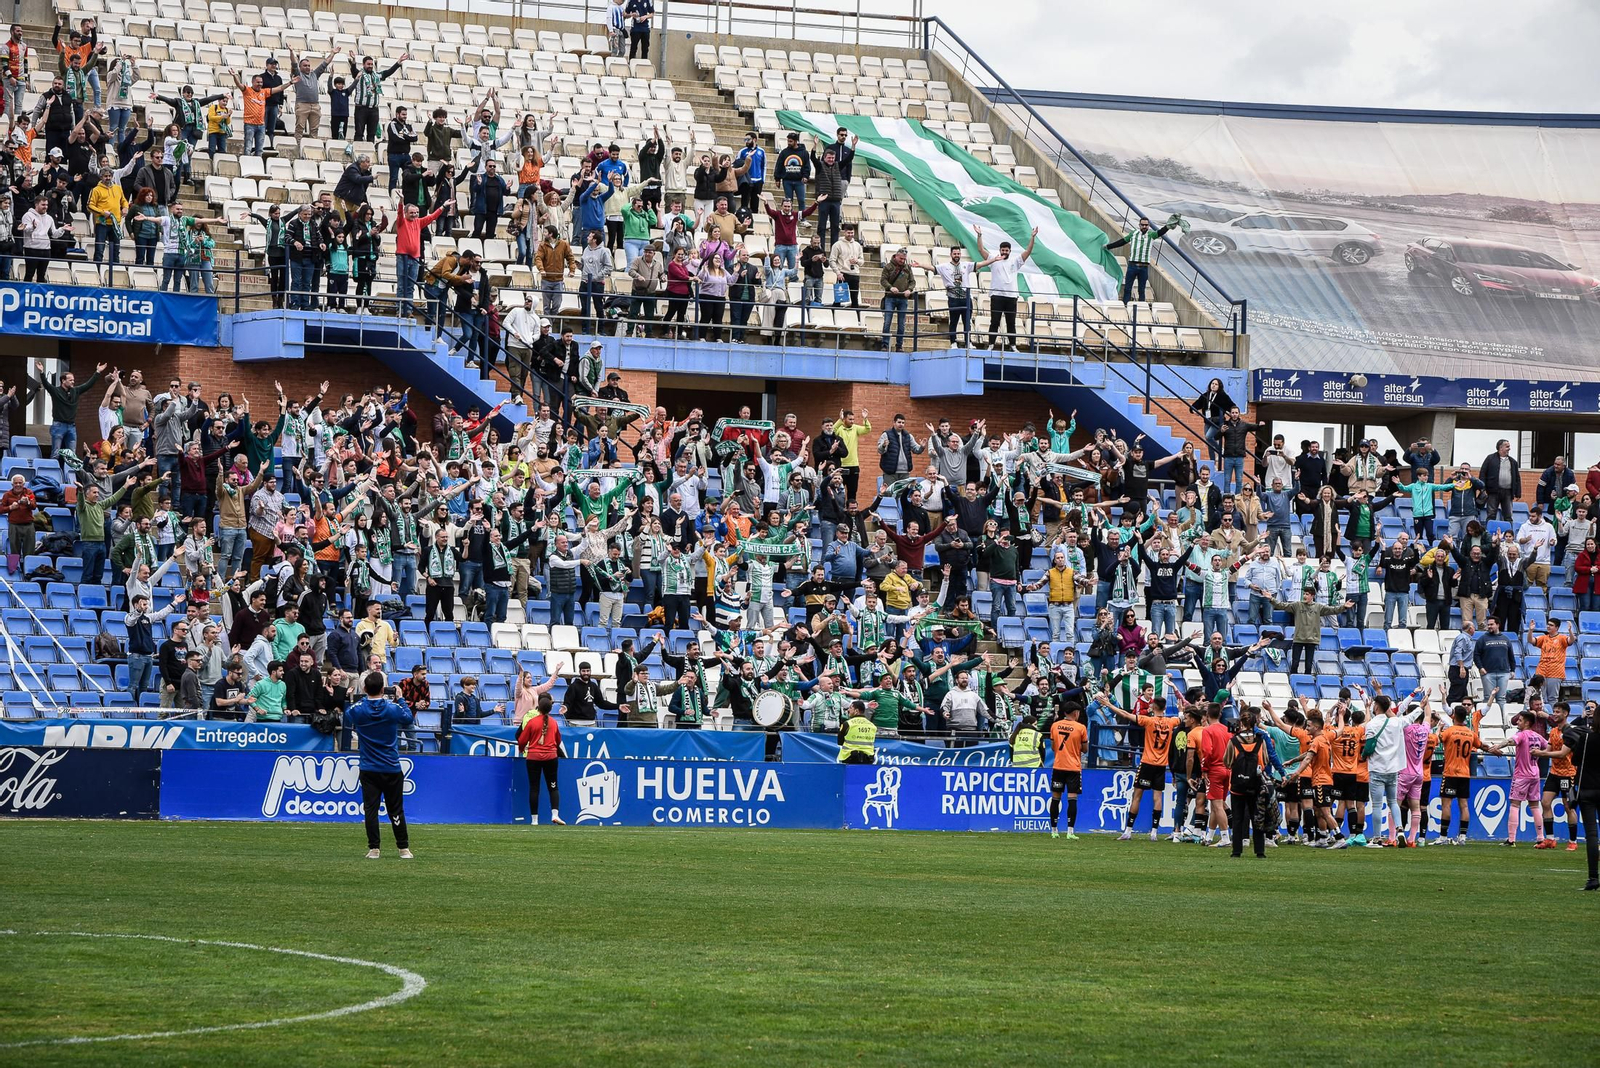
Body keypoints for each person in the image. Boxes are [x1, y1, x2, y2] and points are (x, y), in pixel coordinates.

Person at [344, 670, 415, 859]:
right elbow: (408, 718)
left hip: (369, 768)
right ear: (383, 689)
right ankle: (403, 848)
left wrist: (358, 697)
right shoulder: (392, 708)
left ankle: (374, 848)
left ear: (365, 688)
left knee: (371, 809)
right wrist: (400, 699)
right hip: (391, 766)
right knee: (396, 809)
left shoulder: (358, 710)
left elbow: (348, 714)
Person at [974, 226, 1037, 350]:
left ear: (1009, 251)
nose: (1004, 252)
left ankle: (1012, 345)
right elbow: (981, 250)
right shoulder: (994, 259)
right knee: (994, 322)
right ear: (1000, 250)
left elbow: (1028, 251)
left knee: (1011, 323)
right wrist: (979, 235)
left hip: (1011, 297)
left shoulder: (1015, 261)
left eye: (1006, 250)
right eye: (1003, 250)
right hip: (996, 296)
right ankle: (991, 344)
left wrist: (1033, 237)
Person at [1224, 708, 1270, 858]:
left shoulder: (1234, 741)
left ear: (1241, 723)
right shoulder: (1260, 740)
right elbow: (1265, 761)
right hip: (1255, 785)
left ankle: (1236, 850)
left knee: (1237, 818)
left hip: (1237, 785)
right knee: (1257, 817)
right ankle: (1260, 851)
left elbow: (1227, 761)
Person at [1106, 215, 1178, 303]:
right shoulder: (1134, 233)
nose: (1144, 226)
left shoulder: (1151, 234)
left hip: (1144, 267)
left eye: (1146, 225)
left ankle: (1140, 309)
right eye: (1142, 225)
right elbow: (1122, 241)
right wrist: (1108, 246)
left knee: (1141, 290)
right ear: (1139, 225)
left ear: (1148, 226)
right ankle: (1125, 306)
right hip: (1132, 265)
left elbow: (1160, 232)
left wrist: (1167, 226)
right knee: (1128, 289)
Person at [516, 694, 565, 824]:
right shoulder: (554, 723)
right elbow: (558, 740)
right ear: (550, 709)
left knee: (534, 788)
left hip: (533, 757)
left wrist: (522, 749)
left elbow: (522, 739)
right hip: (551, 757)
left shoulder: (532, 722)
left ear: (539, 707)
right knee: (553, 786)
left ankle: (534, 820)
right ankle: (555, 814)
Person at [1048, 703, 1087, 840]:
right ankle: (1070, 832)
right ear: (1075, 713)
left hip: (1058, 766)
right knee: (1072, 799)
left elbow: (1053, 747)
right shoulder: (1081, 727)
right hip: (1073, 768)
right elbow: (1085, 749)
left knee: (1055, 798)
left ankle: (1054, 830)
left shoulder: (1055, 725)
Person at [837, 700, 877, 764]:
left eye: (850, 708)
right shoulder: (872, 726)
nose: (848, 710)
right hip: (868, 758)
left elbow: (840, 742)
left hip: (849, 758)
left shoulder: (847, 724)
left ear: (856, 711)